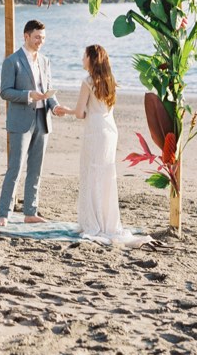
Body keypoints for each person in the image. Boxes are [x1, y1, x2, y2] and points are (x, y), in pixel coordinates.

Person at [55, 45, 152, 246]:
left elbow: (81, 113)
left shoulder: (88, 82)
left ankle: (93, 222)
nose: (82, 59)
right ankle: (107, 222)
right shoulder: (111, 81)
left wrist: (66, 110)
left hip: (95, 130)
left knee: (92, 173)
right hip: (110, 129)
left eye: (84, 56)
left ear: (92, 59)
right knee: (106, 175)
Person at [0, 19, 63, 227]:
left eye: (43, 38)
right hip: (21, 121)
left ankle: (30, 212)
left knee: (36, 168)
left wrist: (54, 106)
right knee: (15, 168)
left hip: (43, 120)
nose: (40, 42)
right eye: (37, 38)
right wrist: (28, 95)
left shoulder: (45, 61)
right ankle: (3, 214)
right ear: (26, 36)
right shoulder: (12, 61)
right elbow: (5, 92)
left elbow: (48, 89)